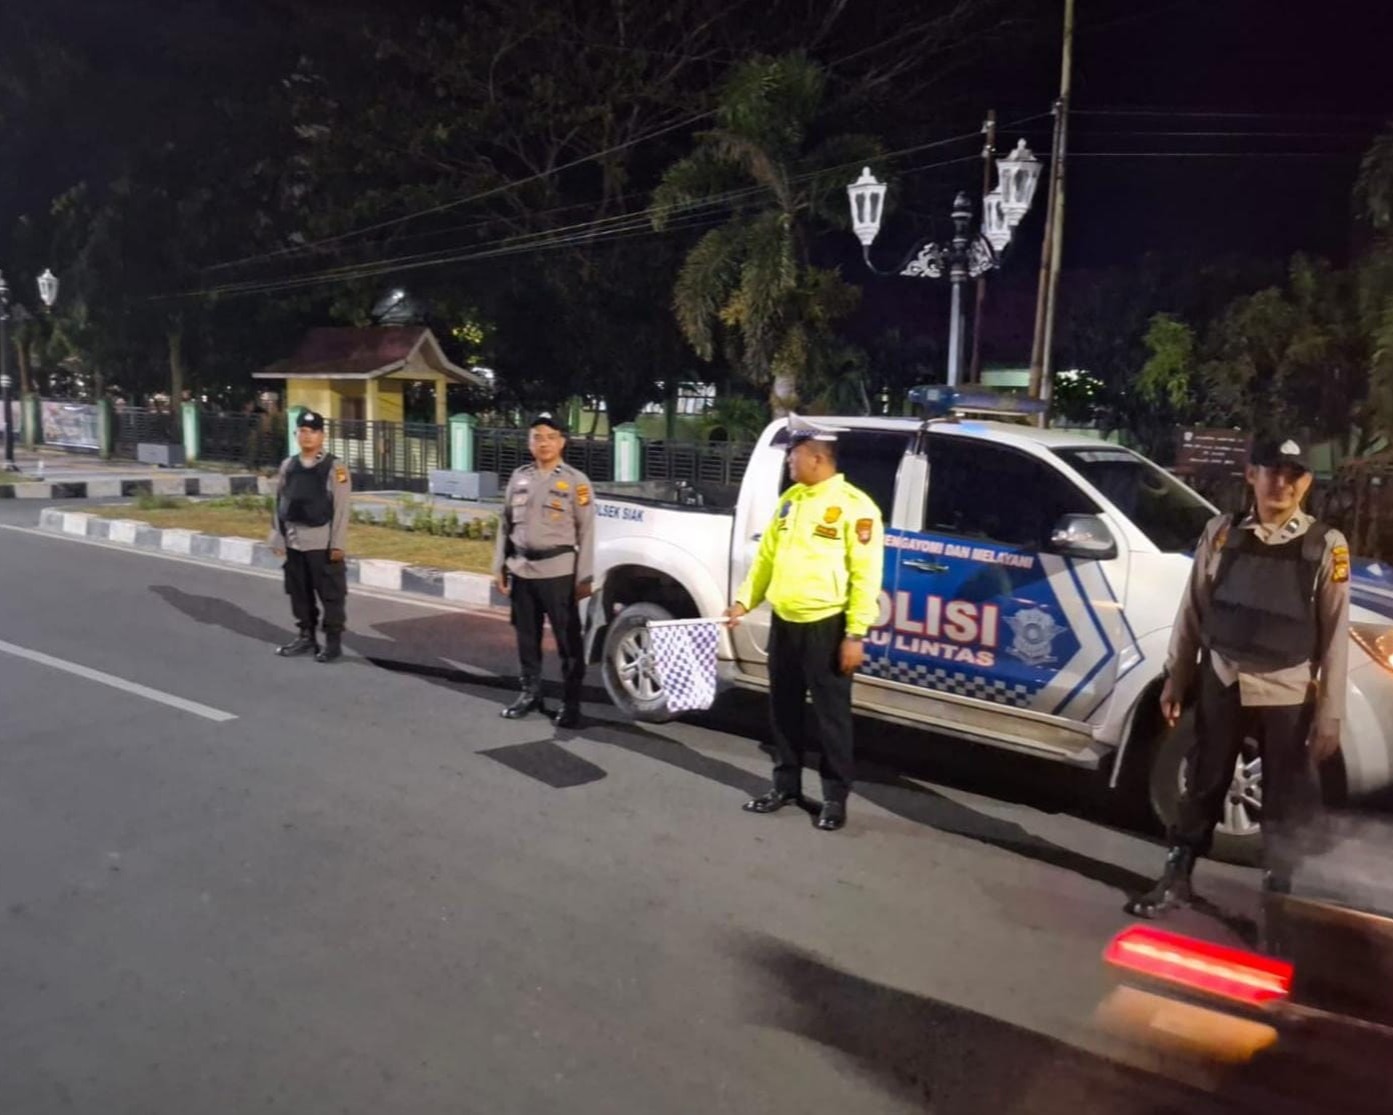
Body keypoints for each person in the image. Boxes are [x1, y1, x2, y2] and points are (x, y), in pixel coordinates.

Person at [1126, 435, 1350, 918]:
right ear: (1252, 475)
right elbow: (1193, 610)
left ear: (1306, 482)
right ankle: (1176, 878)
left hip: (1287, 690)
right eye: (1272, 472)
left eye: (1294, 476)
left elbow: (1335, 635)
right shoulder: (1222, 533)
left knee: (1282, 802)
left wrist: (1330, 715)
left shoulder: (1326, 546)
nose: (1282, 484)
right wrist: (1177, 675)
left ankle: (1279, 902)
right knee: (1203, 786)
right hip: (1223, 678)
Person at [724, 417, 885, 832]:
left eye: (793, 456)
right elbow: (766, 561)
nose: (789, 464)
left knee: (831, 717)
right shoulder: (790, 500)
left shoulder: (856, 506)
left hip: (827, 626)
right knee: (783, 711)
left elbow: (866, 576)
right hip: (786, 622)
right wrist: (743, 601)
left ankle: (834, 798)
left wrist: (855, 634)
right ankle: (786, 786)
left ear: (816, 457)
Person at [493, 413, 596, 729]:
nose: (544, 443)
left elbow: (587, 531)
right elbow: (504, 523)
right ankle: (530, 693)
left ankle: (571, 702)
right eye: (537, 436)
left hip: (558, 573)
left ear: (562, 441)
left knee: (567, 641)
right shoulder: (519, 477)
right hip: (522, 569)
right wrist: (498, 564)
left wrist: (585, 577)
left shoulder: (576, 481)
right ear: (530, 442)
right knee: (527, 637)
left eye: (551, 437)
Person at [268, 409, 352, 663]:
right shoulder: (288, 465)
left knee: (330, 595)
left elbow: (342, 508)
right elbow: (279, 502)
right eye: (302, 431)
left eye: (312, 431)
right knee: (298, 592)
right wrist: (277, 536)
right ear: (296, 434)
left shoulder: (335, 467)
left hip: (321, 543)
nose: (306, 436)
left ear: (322, 435)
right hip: (294, 542)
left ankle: (333, 643)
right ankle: (306, 637)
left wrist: (337, 544)